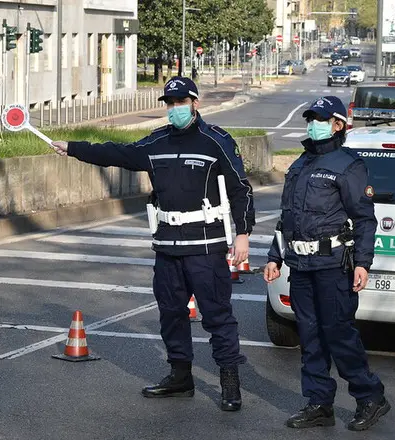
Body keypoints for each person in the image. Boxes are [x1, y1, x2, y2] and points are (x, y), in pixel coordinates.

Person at [51, 77, 255, 412]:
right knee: (171, 314)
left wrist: (243, 233)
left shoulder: (215, 140)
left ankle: (229, 382)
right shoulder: (157, 141)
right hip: (168, 246)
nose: (175, 108)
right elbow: (116, 153)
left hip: (206, 246)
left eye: (181, 102)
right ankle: (180, 376)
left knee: (218, 316)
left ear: (195, 102)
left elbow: (240, 189)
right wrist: (72, 147)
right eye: (170, 103)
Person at [263, 96, 389, 431]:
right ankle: (319, 402)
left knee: (338, 335)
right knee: (310, 336)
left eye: (319, 118)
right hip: (301, 267)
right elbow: (286, 219)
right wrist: (275, 257)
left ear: (338, 124)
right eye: (310, 118)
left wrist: (363, 262)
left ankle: (370, 396)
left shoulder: (348, 165)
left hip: (334, 266)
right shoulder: (301, 164)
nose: (312, 124)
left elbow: (364, 219)